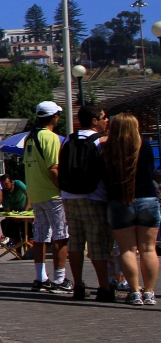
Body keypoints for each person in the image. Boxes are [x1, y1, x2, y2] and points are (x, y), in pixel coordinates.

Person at [102, 113, 160, 306]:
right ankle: (150, 292)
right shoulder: (145, 146)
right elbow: (151, 170)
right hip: (147, 199)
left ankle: (135, 292)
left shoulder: (108, 148)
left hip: (120, 200)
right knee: (149, 248)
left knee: (127, 249)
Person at [60, 105, 112, 301]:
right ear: (94, 121)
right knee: (97, 243)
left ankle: (79, 285)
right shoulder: (100, 142)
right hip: (94, 196)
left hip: (69, 196)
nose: (106, 120)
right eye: (103, 117)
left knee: (75, 242)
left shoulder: (68, 140)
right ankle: (104, 287)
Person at [23, 101, 71, 293]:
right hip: (51, 192)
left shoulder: (29, 137)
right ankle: (59, 279)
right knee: (61, 235)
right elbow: (54, 168)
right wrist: (63, 189)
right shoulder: (50, 138)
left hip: (35, 192)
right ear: (54, 117)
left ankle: (40, 277)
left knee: (41, 236)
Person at [0, 174, 28, 247]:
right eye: (2, 184)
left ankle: (27, 253)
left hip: (24, 212)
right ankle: (18, 254)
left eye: (6, 184)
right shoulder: (3, 192)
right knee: (15, 233)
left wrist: (26, 210)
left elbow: (29, 194)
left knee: (26, 234)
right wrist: (14, 218)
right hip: (13, 215)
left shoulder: (19, 184)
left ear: (12, 182)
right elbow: (7, 209)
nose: (4, 186)